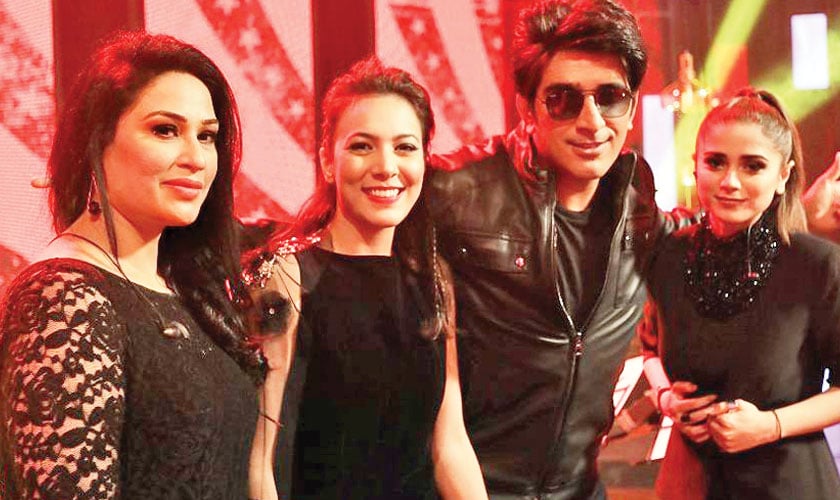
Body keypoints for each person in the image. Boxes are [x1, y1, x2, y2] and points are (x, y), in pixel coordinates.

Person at [425, 1, 685, 497]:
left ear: (632, 107)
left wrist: (804, 212)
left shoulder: (637, 204)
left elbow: (708, 237)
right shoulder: (458, 189)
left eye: (610, 97)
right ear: (527, 108)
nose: (592, 121)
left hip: (581, 489)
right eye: (563, 99)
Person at [0, 32, 263, 498]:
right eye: (165, 130)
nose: (195, 158)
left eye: (206, 136)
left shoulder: (181, 287)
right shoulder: (62, 298)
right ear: (96, 142)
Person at [243, 58, 487, 499]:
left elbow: (449, 444)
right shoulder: (286, 277)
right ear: (327, 160)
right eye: (362, 146)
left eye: (405, 147)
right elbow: (258, 460)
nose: (386, 166)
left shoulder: (433, 280)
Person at [641, 88, 840, 499]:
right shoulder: (670, 255)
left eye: (753, 166)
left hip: (788, 483)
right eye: (715, 162)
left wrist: (770, 426)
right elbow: (650, 350)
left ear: (782, 176)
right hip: (690, 484)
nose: (730, 181)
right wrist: (666, 398)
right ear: (695, 166)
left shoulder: (817, 264)